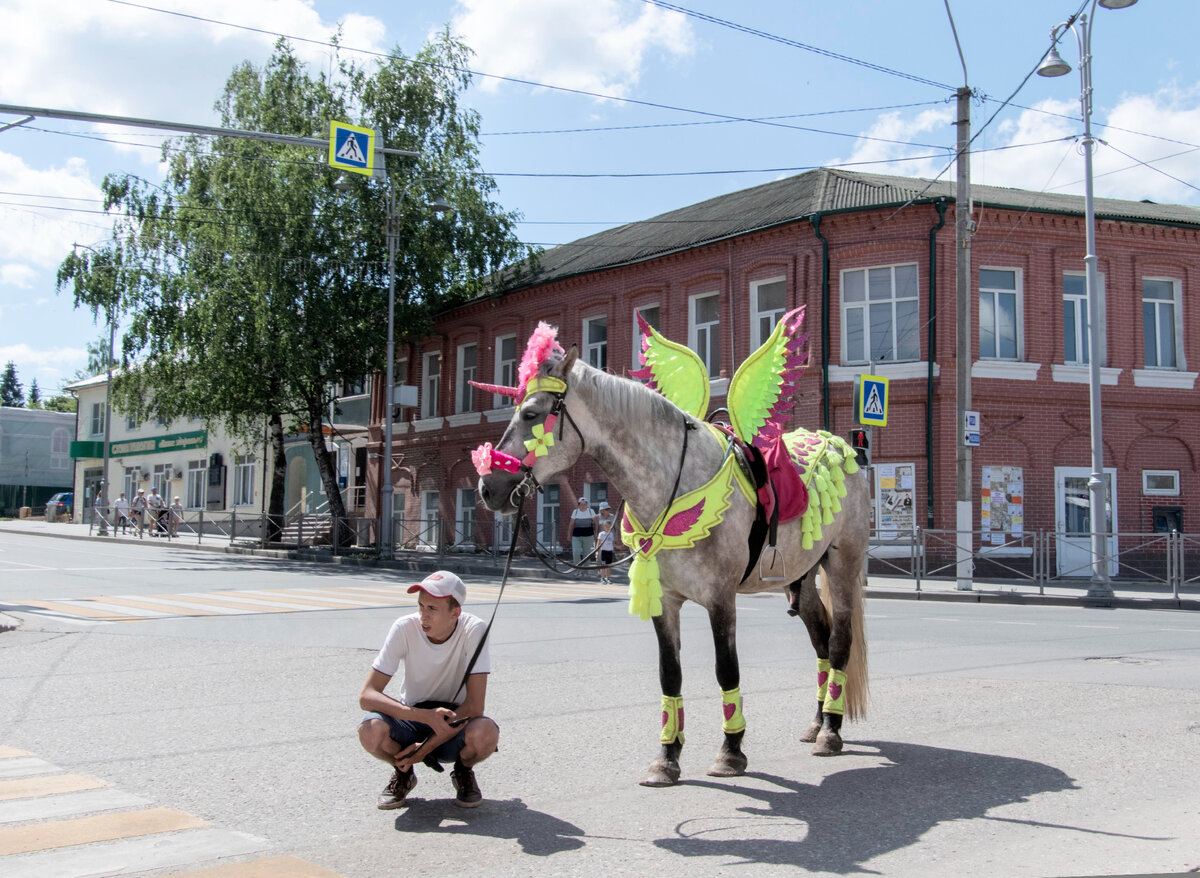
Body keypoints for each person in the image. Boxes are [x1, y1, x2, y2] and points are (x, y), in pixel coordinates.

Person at [358, 571, 499, 810]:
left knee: (486, 732)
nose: (423, 615)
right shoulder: (404, 627)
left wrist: (426, 748)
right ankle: (403, 772)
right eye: (421, 605)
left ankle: (463, 772)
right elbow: (367, 695)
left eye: (432, 608)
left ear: (455, 613)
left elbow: (475, 706)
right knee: (369, 729)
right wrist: (422, 717)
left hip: (455, 718)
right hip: (412, 716)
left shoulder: (474, 630)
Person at [569, 497, 596, 568]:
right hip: (576, 536)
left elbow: (596, 522)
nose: (583, 506)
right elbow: (571, 524)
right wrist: (569, 535)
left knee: (586, 554)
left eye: (584, 504)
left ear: (587, 505)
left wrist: (595, 533)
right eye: (581, 504)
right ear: (578, 505)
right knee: (576, 551)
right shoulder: (575, 512)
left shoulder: (591, 511)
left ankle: (586, 568)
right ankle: (577, 567)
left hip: (588, 536)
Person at [597, 520, 616, 585]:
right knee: (603, 566)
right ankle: (602, 578)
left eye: (609, 526)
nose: (608, 528)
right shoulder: (601, 534)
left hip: (609, 551)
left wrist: (618, 547)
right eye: (606, 526)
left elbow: (612, 543)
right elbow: (598, 543)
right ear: (603, 526)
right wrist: (597, 551)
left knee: (608, 566)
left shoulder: (611, 534)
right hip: (603, 551)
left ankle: (608, 578)